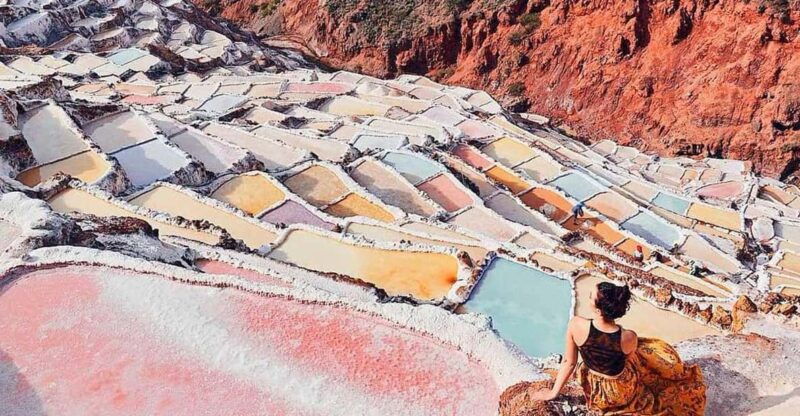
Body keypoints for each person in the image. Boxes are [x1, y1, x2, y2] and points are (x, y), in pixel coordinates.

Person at [530, 282, 706, 415]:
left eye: (591, 296)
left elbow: (569, 363)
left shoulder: (576, 325)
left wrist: (553, 393)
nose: (588, 297)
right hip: (622, 391)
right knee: (642, 352)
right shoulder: (628, 336)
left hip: (596, 392)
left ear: (598, 310)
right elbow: (629, 360)